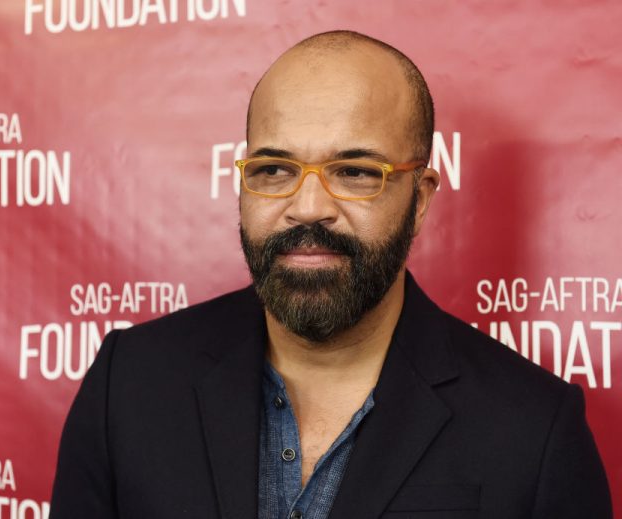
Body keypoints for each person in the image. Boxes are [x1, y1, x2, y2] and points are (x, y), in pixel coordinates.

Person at [50, 30, 612, 518]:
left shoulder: (533, 430)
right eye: (274, 169)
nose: (308, 207)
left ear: (419, 199)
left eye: (355, 172)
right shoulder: (128, 386)